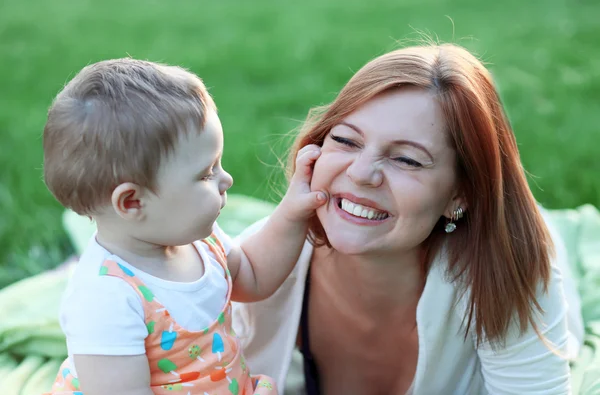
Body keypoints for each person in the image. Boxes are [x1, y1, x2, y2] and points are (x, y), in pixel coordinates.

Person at [232, 43, 585, 394]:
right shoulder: (259, 262)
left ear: (460, 194)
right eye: (346, 140)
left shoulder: (507, 275)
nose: (361, 173)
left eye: (407, 160)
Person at [41, 58, 326, 395]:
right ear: (132, 202)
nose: (227, 179)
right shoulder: (106, 298)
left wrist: (293, 211)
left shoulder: (198, 241)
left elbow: (254, 277)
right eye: (207, 173)